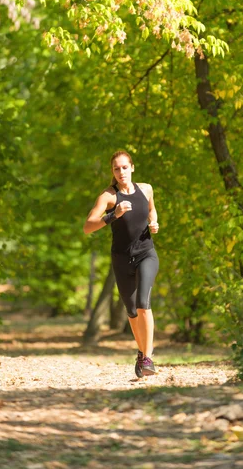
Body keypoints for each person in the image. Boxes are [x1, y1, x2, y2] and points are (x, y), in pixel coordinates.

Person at [83, 150, 159, 377]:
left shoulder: (146, 189)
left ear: (132, 167)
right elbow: (88, 227)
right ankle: (141, 351)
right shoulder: (109, 196)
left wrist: (154, 222)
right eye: (116, 168)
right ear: (112, 172)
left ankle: (148, 358)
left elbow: (151, 210)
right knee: (132, 311)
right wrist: (112, 215)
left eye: (125, 167)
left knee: (144, 304)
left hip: (147, 253)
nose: (121, 172)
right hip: (122, 259)